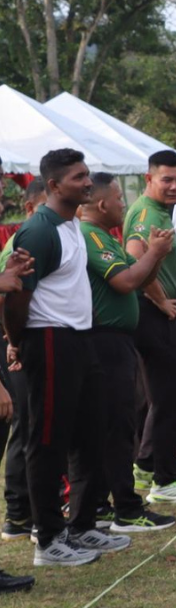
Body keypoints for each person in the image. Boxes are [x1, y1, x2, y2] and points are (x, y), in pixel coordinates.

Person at [5, 149, 130, 566]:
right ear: (54, 186)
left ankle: (82, 525)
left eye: (86, 175)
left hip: (80, 339)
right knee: (48, 440)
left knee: (91, 432)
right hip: (50, 340)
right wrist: (17, 340)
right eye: (77, 178)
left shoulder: (72, 224)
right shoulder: (39, 231)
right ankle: (48, 540)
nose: (87, 182)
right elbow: (18, 294)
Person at [81, 173, 176, 533]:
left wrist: (156, 255)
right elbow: (123, 282)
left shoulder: (106, 236)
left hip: (116, 341)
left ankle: (105, 503)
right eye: (120, 199)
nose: (125, 205)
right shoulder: (91, 235)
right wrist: (153, 252)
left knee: (118, 424)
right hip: (104, 342)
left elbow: (135, 276)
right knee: (117, 427)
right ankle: (125, 508)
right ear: (104, 204)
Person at [125, 150, 176, 502]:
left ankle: (146, 467)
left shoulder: (162, 210)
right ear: (149, 179)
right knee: (169, 399)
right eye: (167, 180)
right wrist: (159, 299)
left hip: (164, 310)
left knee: (162, 398)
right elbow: (132, 255)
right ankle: (165, 479)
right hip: (157, 311)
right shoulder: (146, 213)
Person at [1, 179, 46, 545]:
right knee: (24, 428)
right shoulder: (22, 243)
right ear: (31, 209)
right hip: (14, 351)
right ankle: (17, 513)